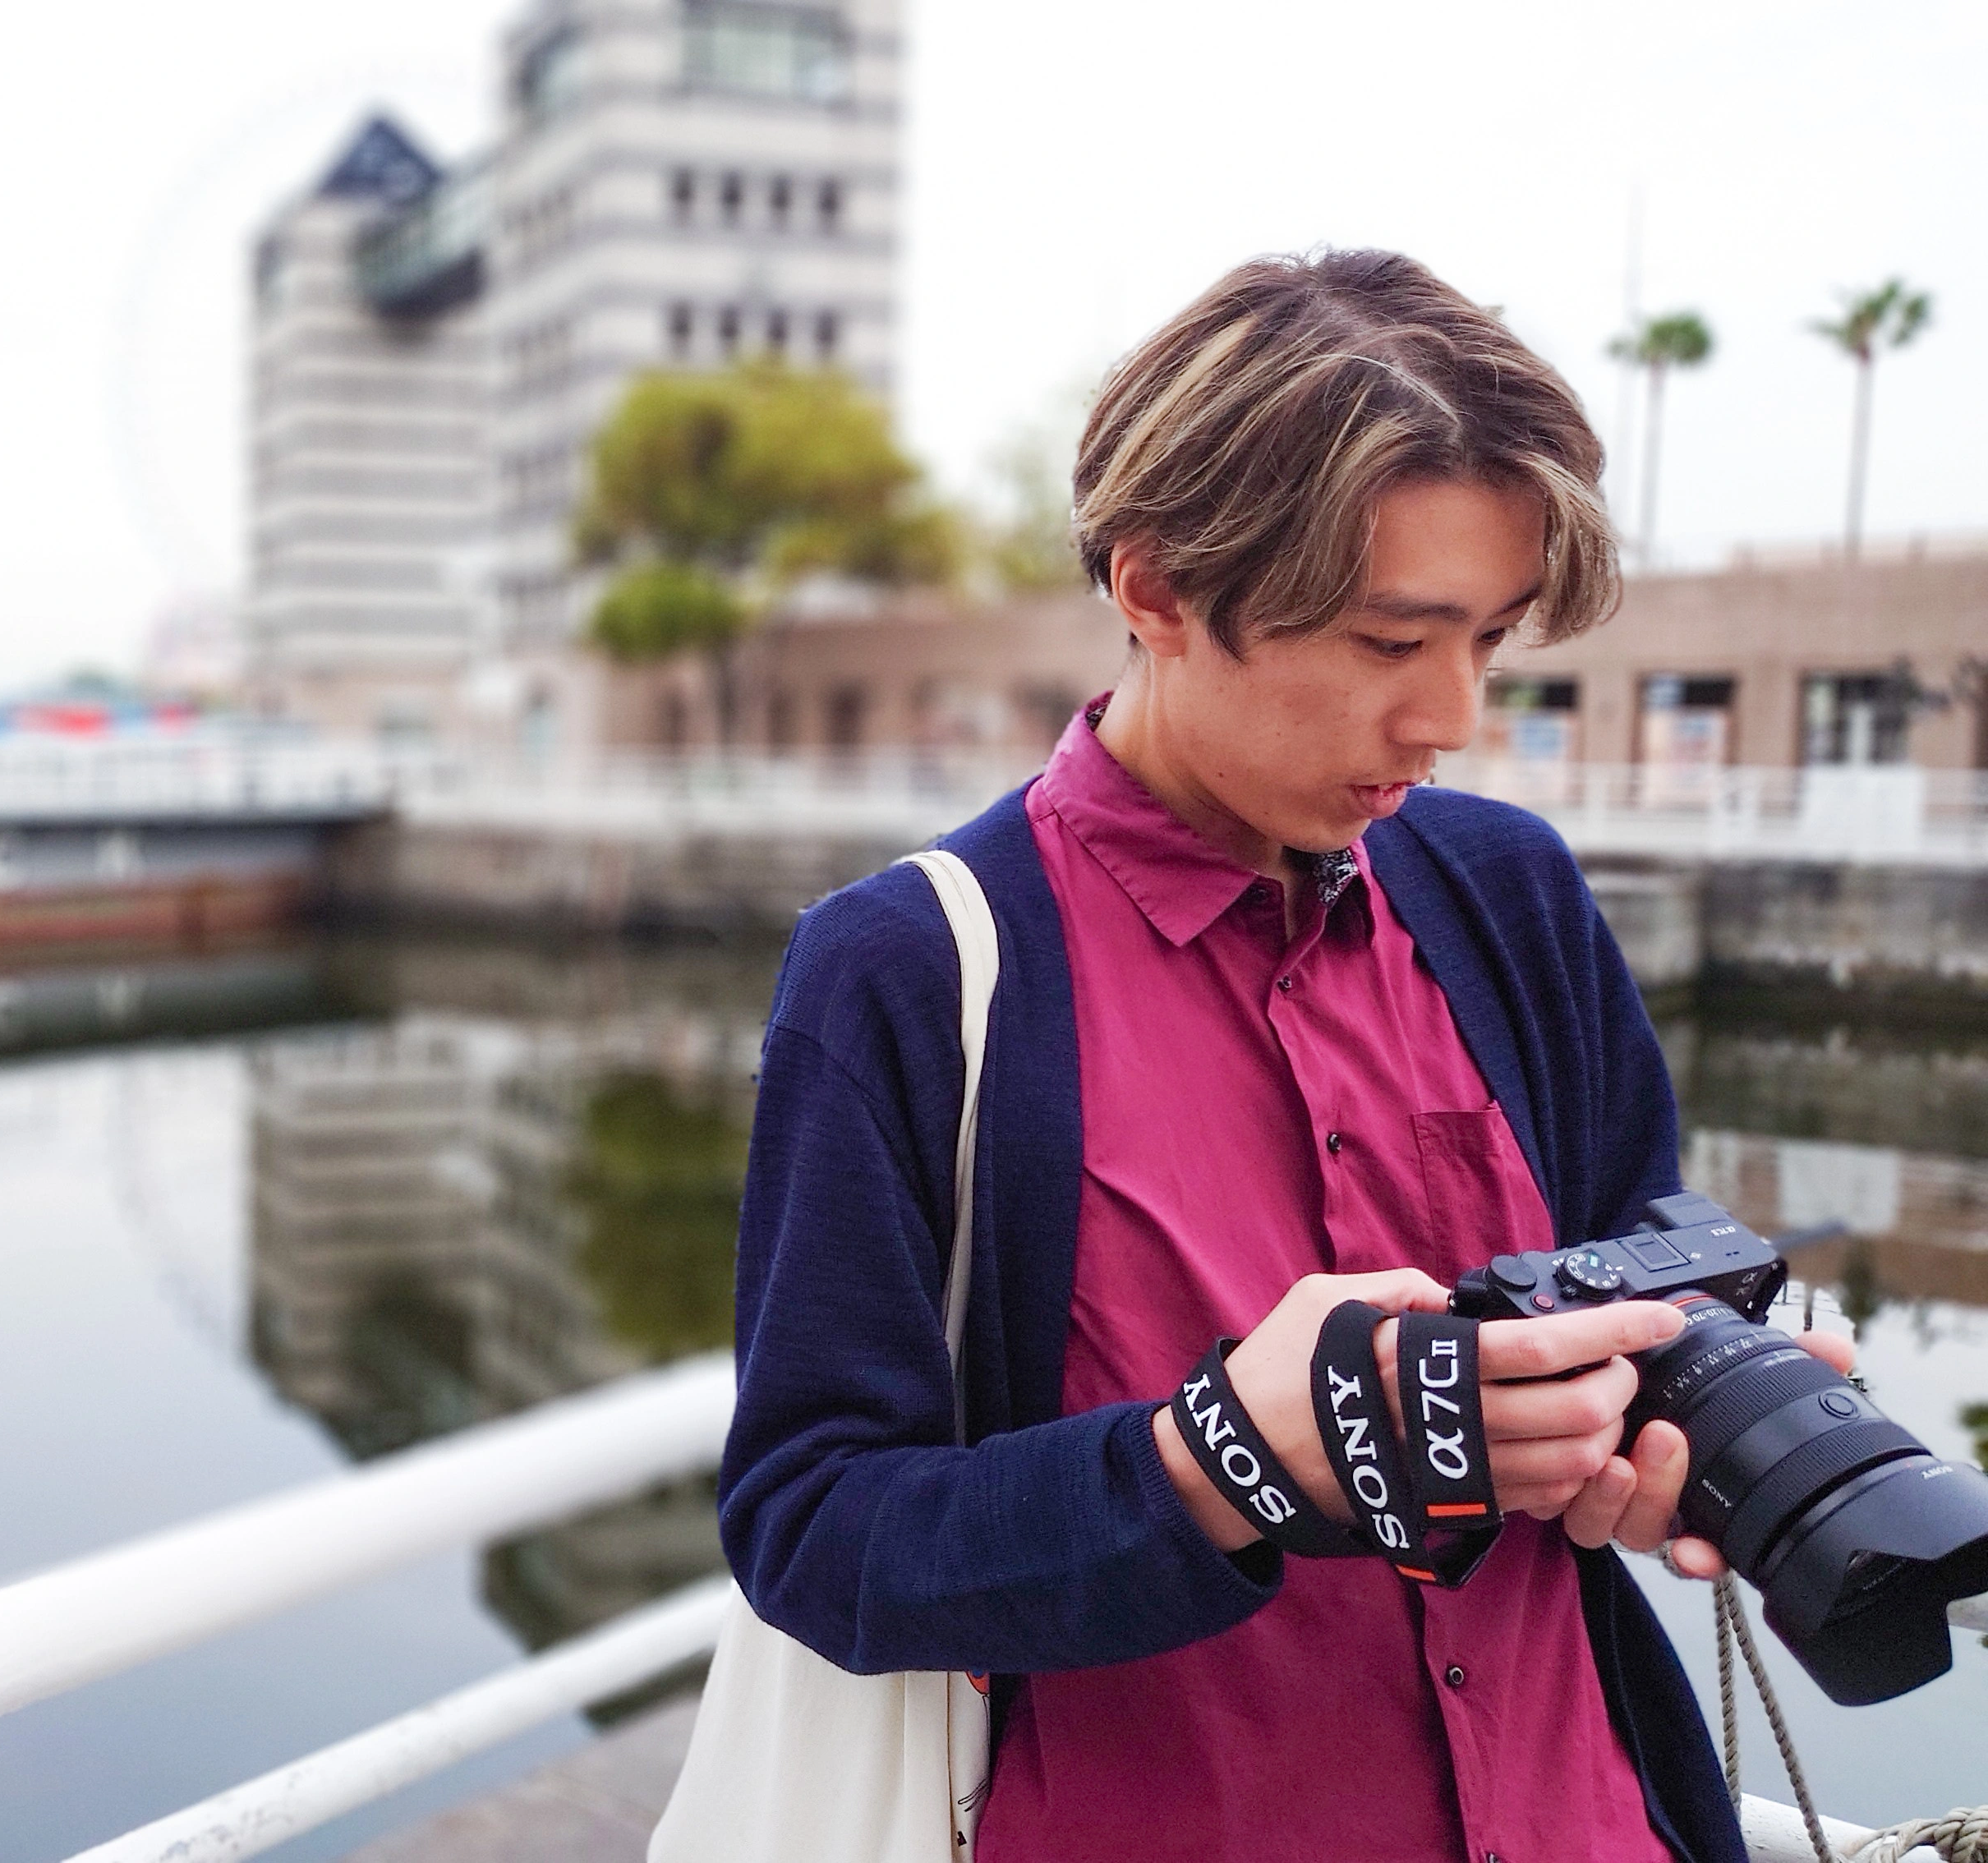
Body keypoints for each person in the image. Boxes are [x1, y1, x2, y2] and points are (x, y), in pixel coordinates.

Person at [720, 250, 1855, 1863]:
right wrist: (1220, 1457)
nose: (1451, 717)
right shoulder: (910, 973)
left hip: (1590, 1817)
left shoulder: (1506, 893)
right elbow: (814, 1532)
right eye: (1395, 643)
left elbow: (1637, 1248)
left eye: (1491, 639)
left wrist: (1676, 1423)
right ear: (1155, 588)